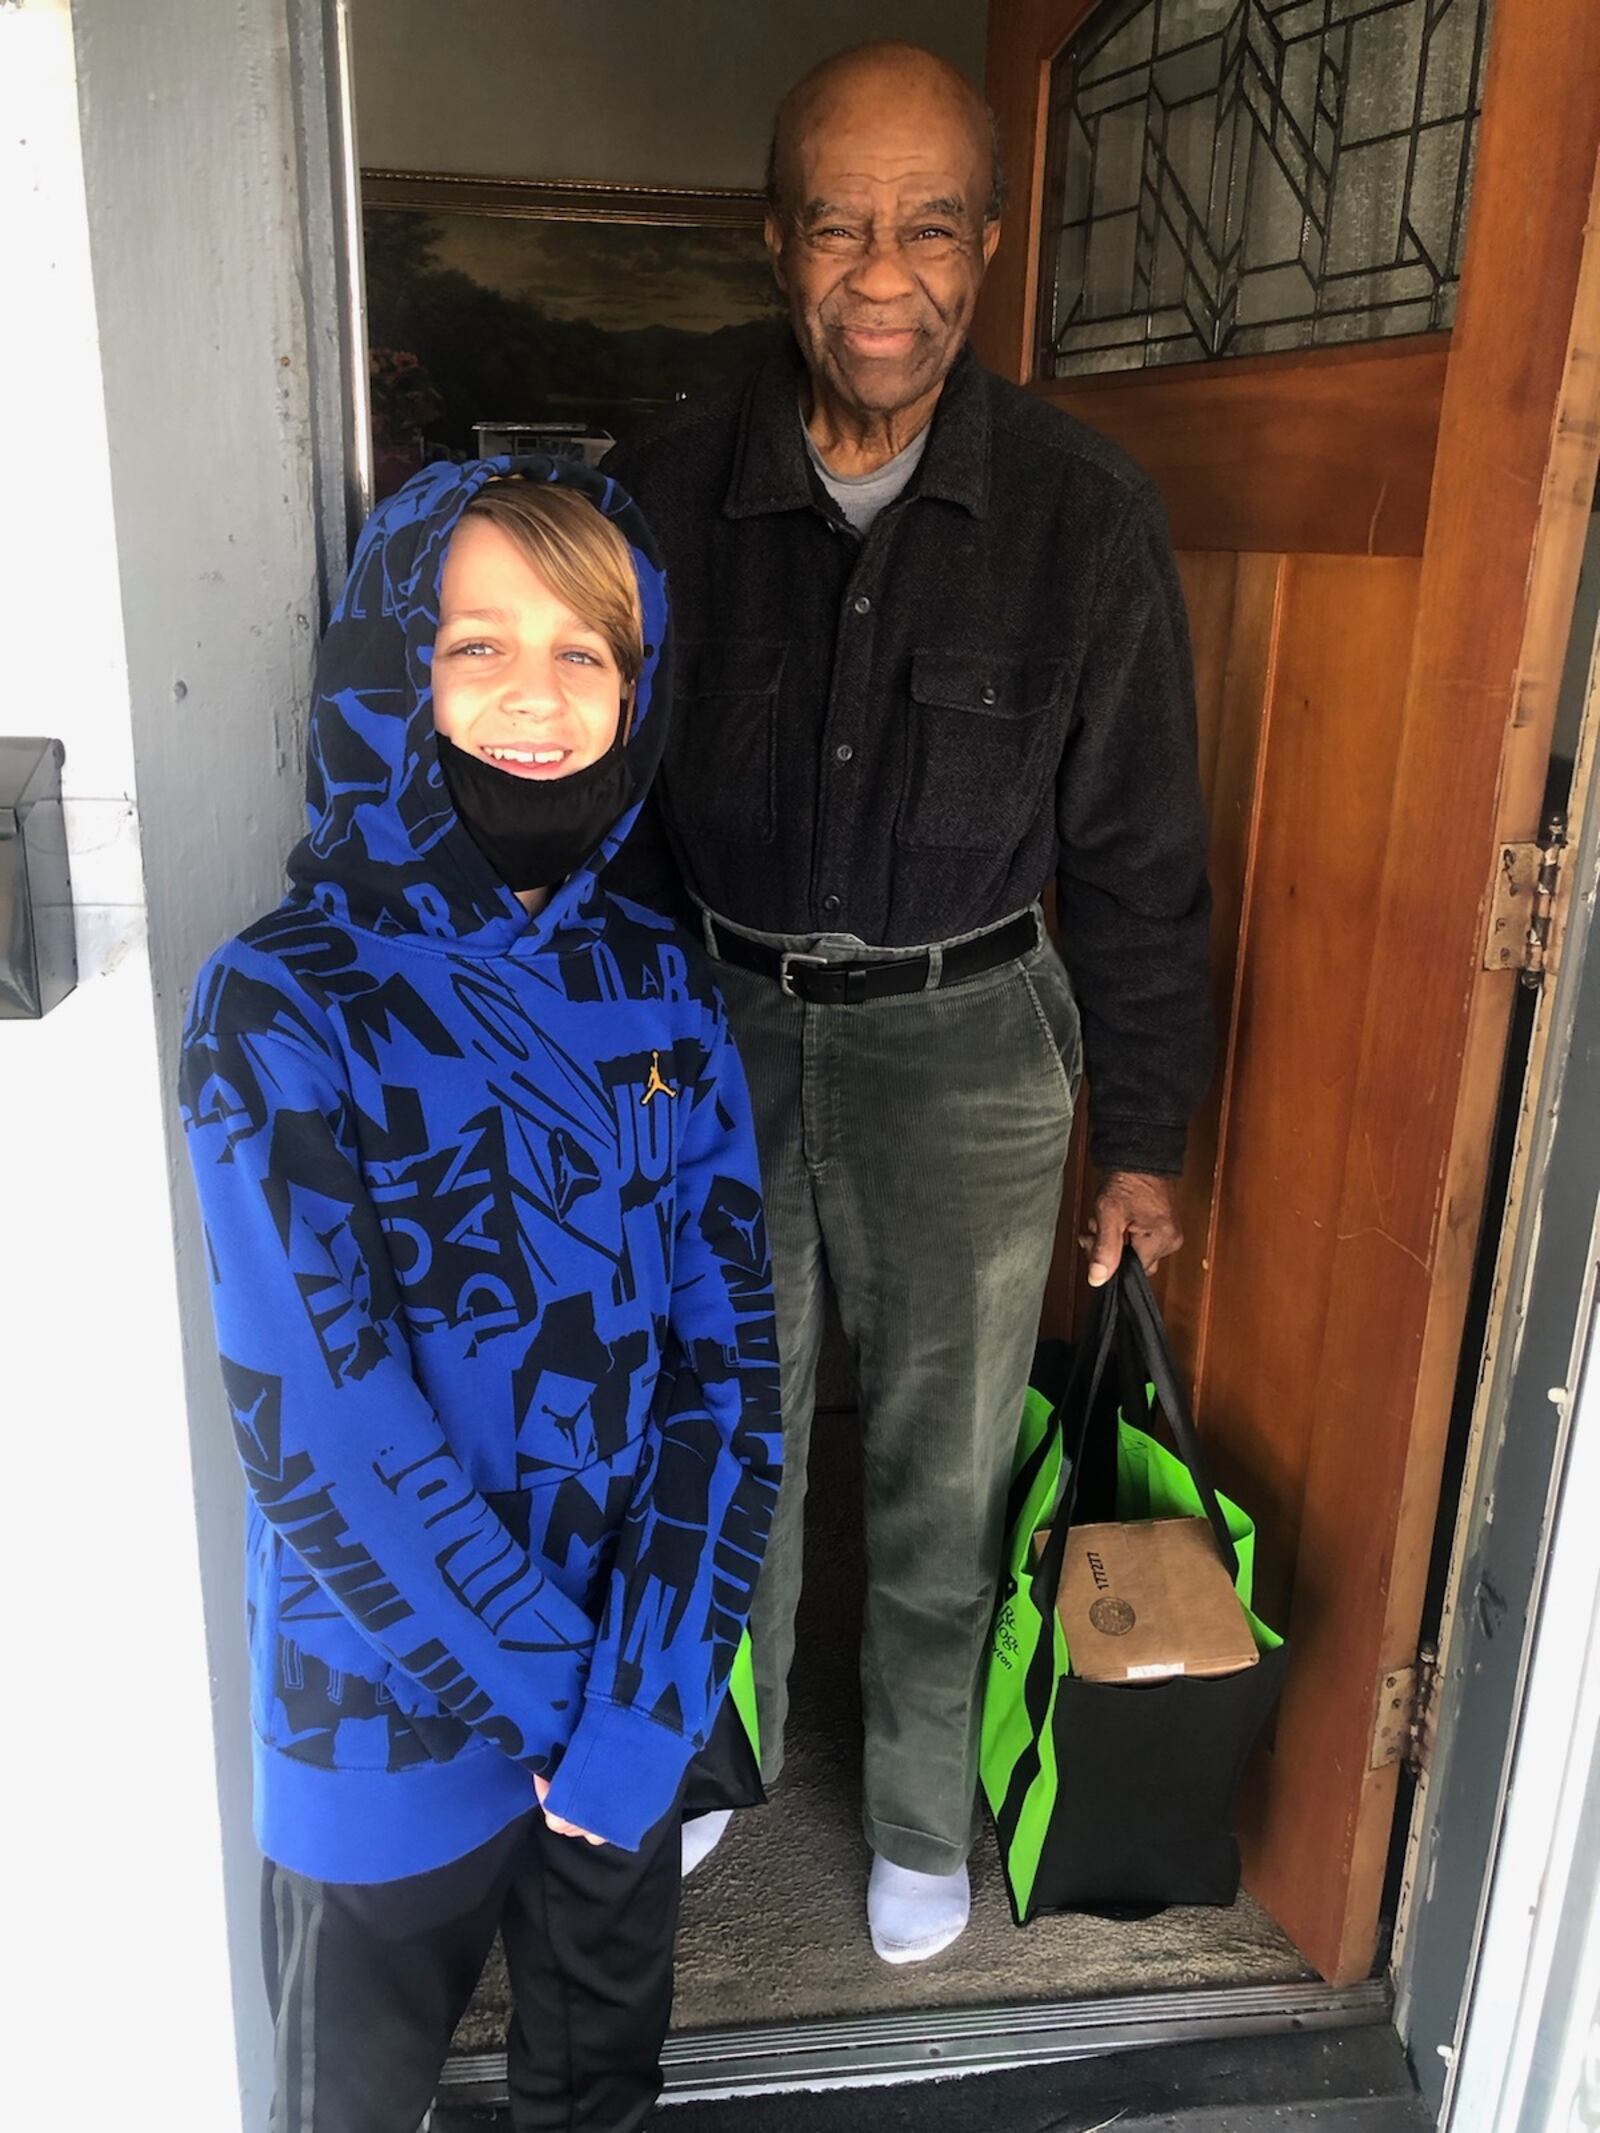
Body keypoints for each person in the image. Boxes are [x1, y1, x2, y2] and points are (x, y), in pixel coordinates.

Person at [604, 41, 1212, 1964]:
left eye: (930, 223)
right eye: (843, 224)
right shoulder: (665, 485)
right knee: (730, 1419)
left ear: (988, 241)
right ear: (778, 240)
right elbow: (602, 807)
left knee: (945, 1453)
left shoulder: (1085, 514)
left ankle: (925, 1819)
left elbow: (1135, 855)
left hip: (971, 1042)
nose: (886, 272)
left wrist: (1147, 1138)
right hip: (713, 1018)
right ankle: (730, 1759)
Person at [179, 459, 781, 2132]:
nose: (538, 692)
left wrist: (649, 1700)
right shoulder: (279, 1004)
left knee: (600, 2082)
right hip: (381, 1718)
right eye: (478, 644)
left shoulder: (661, 987)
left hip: (628, 1695)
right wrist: (566, 1717)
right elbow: (324, 1426)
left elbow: (725, 1378)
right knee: (349, 2100)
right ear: (392, 667)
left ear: (637, 687)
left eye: (588, 649)